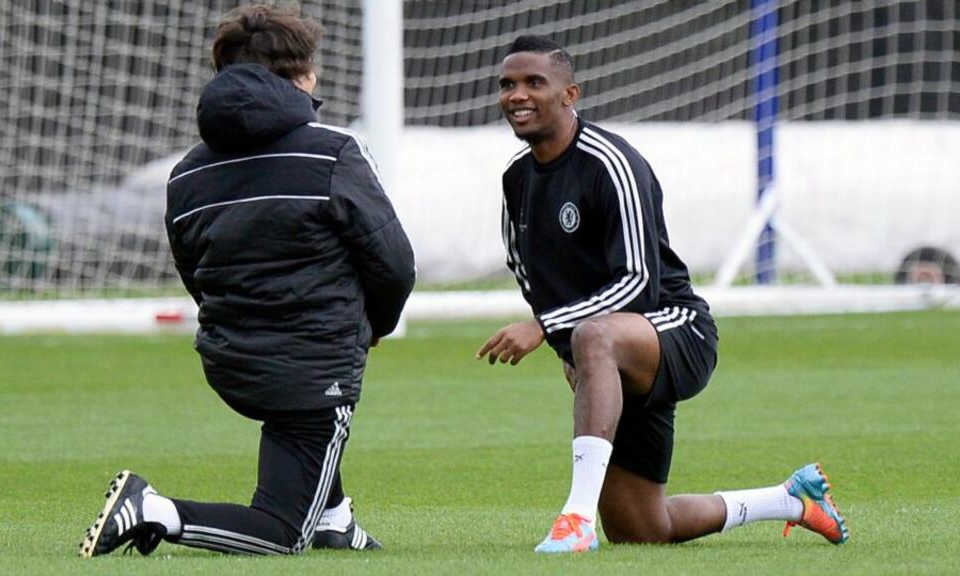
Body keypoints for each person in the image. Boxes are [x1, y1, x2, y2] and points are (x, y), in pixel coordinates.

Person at [477, 35, 848, 553]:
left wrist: (552, 329)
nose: (517, 94)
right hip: (605, 348)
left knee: (595, 335)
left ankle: (575, 518)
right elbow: (527, 271)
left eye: (534, 82)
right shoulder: (516, 179)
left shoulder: (611, 163)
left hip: (675, 330)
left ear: (570, 94)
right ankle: (790, 499)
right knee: (641, 530)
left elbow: (638, 282)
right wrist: (571, 345)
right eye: (508, 84)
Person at [80, 3, 415, 558]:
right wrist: (373, 325)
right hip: (314, 363)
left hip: (230, 361)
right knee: (283, 534)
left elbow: (196, 273)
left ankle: (335, 518)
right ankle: (155, 510)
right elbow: (394, 262)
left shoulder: (186, 171)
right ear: (303, 76)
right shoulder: (333, 151)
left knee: (304, 435)